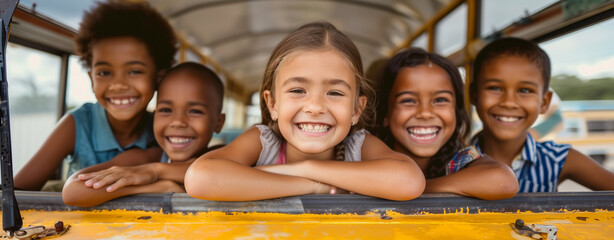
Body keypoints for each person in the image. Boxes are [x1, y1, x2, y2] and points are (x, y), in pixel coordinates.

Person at [184, 21, 425, 201]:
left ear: (356, 110)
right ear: (272, 104)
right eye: (298, 90)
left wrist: (305, 169)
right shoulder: (264, 142)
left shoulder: (358, 146)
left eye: (335, 93)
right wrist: (313, 186)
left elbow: (409, 181)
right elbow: (200, 178)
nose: (315, 107)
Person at [14, 1, 177, 191]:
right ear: (92, 78)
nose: (118, 85)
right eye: (104, 73)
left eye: (134, 71)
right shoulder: (77, 124)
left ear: (159, 76)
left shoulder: (167, 129)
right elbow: (17, 193)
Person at [62, 62, 226, 207]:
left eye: (195, 111)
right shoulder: (145, 157)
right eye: (165, 110)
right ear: (154, 115)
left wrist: (156, 171)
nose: (177, 122)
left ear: (218, 122)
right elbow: (72, 191)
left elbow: (209, 174)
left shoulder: (225, 156)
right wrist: (157, 188)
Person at [470, 37, 614, 192]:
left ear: (544, 102)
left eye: (525, 90)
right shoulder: (452, 160)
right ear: (474, 95)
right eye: (495, 88)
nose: (509, 102)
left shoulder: (559, 159)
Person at [372, 48, 517, 200]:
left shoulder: (460, 160)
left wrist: (414, 188)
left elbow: (504, 182)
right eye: (408, 100)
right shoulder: (366, 153)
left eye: (440, 100)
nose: (425, 113)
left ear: (457, 111)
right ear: (385, 113)